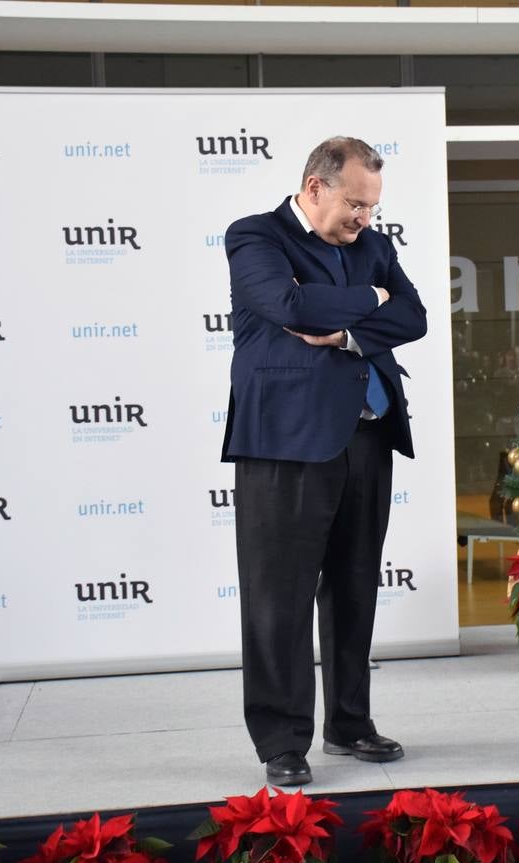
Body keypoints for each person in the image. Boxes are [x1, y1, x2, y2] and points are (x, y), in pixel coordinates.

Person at [221, 136, 427, 786]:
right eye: (355, 204)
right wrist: (374, 303)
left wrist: (345, 324)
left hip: (366, 435)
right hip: (284, 441)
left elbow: (417, 316)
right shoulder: (255, 237)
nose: (364, 218)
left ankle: (349, 723)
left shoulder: (373, 246)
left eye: (371, 207)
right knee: (276, 598)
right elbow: (285, 305)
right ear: (315, 188)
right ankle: (282, 742)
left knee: (355, 587)